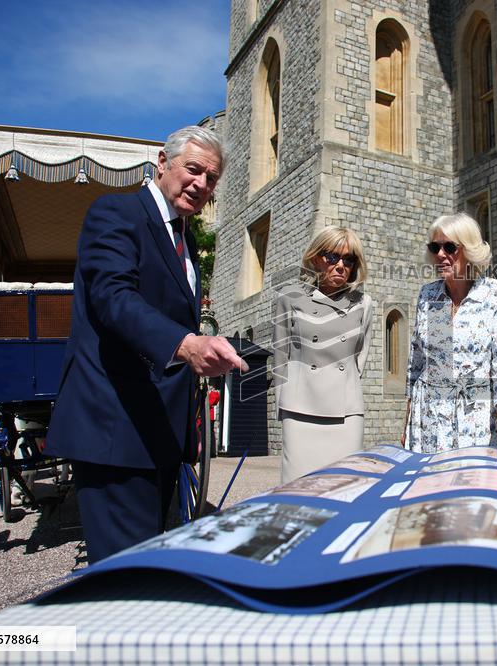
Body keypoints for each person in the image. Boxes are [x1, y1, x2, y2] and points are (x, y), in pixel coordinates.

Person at [46, 126, 247, 564]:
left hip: (160, 433)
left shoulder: (185, 239)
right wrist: (185, 344)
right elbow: (112, 298)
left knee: (149, 563)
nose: (201, 184)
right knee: (123, 574)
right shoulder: (116, 213)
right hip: (115, 426)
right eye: (193, 169)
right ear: (162, 162)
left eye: (212, 178)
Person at [403, 213, 497, 454]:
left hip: (475, 417)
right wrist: (408, 420)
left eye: (450, 247)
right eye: (435, 247)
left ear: (469, 250)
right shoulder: (428, 295)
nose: (441, 254)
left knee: (473, 476)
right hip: (428, 416)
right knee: (429, 477)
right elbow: (416, 362)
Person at [272, 227, 373, 484]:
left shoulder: (363, 303)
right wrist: (282, 406)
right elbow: (280, 356)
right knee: (297, 488)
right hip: (299, 407)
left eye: (348, 260)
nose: (340, 266)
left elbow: (359, 357)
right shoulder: (289, 297)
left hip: (345, 412)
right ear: (316, 258)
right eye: (332, 257)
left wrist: (346, 385)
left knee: (344, 486)